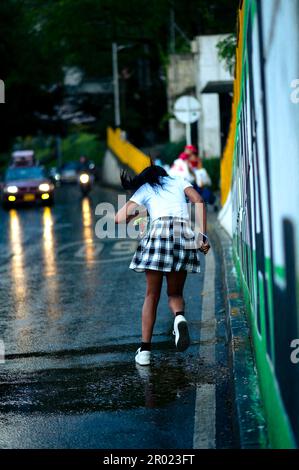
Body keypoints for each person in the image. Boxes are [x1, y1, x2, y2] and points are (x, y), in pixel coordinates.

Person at [115, 165, 210, 366]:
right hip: (183, 234)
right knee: (175, 294)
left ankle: (145, 351)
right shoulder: (179, 181)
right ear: (164, 174)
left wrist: (142, 213)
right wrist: (203, 235)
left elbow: (119, 218)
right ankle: (179, 318)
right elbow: (199, 200)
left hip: (158, 234)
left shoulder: (147, 188)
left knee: (152, 295)